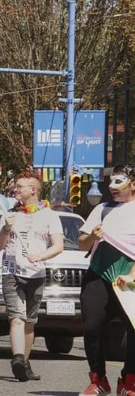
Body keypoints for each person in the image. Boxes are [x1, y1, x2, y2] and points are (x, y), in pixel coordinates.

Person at [0, 172, 63, 382]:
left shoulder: (49, 215)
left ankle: (25, 361)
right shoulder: (9, 214)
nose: (16, 189)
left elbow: (58, 246)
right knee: (16, 317)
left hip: (36, 273)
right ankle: (16, 359)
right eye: (16, 186)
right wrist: (6, 228)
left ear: (33, 190)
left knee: (30, 321)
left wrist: (40, 256)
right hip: (11, 272)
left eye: (20, 186)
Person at [77, 164, 135, 396]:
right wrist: (92, 236)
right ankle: (98, 379)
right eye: (110, 182)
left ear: (133, 184)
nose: (112, 187)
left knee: (133, 329)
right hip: (98, 275)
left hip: (128, 279)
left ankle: (129, 381)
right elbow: (81, 242)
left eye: (118, 182)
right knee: (91, 326)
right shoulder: (102, 209)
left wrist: (131, 275)